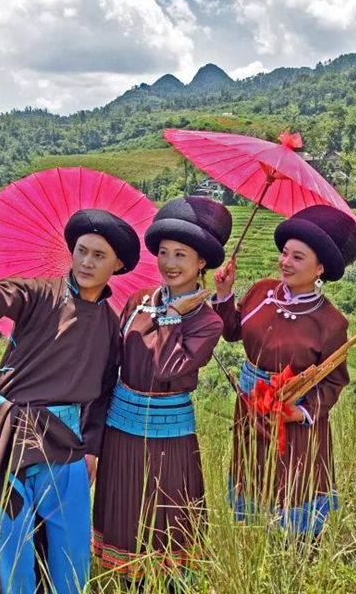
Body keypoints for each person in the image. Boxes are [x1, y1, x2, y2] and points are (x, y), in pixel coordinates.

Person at [0, 209, 140, 594]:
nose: (86, 262)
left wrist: (93, 451)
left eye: (99, 256)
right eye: (81, 251)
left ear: (117, 265)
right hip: (11, 440)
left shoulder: (111, 325)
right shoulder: (36, 294)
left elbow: (102, 393)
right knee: (12, 554)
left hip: (67, 446)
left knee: (71, 557)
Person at [92, 196, 231, 580]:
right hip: (121, 428)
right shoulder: (138, 302)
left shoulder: (208, 323)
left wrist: (171, 318)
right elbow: (113, 363)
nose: (169, 263)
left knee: (167, 515)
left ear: (201, 262)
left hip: (170, 436)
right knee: (123, 510)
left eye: (181, 255)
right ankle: (123, 581)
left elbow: (170, 367)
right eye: (165, 252)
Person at [212, 204, 356, 538]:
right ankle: (250, 547)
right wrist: (224, 294)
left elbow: (334, 381)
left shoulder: (330, 322)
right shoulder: (261, 292)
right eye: (285, 253)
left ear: (320, 269)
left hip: (294, 418)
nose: (286, 262)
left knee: (293, 485)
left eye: (298, 258)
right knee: (251, 479)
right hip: (251, 408)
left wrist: (301, 411)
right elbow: (231, 331)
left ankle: (298, 556)